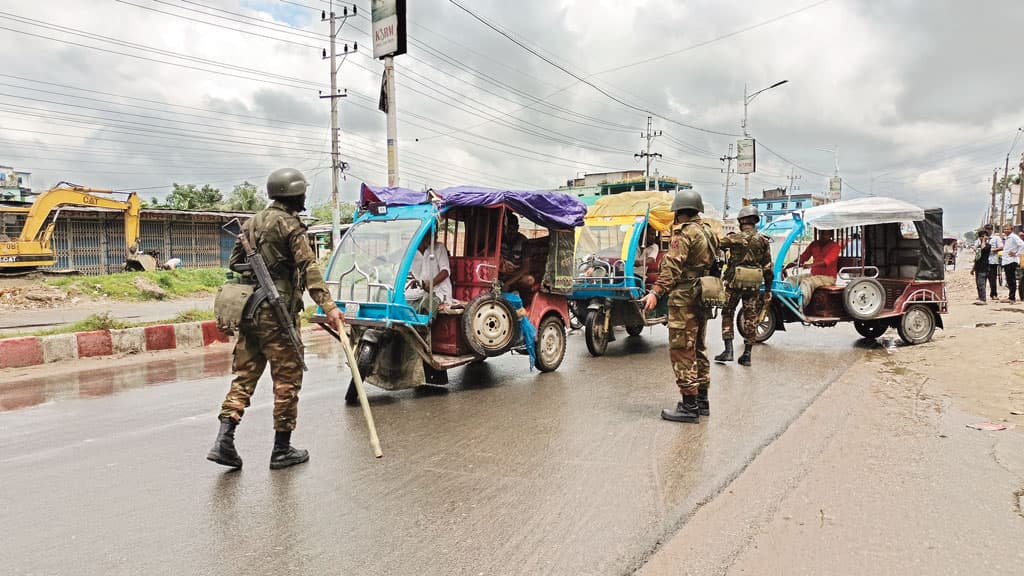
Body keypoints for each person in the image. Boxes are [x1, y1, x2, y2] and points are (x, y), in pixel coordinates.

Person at [207, 168, 344, 470]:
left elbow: (235, 264)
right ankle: (282, 449)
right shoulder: (290, 225)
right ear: (295, 194)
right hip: (277, 313)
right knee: (287, 380)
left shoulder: (251, 223)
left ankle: (223, 441)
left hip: (250, 310)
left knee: (244, 378)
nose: (305, 197)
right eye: (303, 193)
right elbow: (309, 267)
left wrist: (261, 268)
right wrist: (329, 306)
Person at [641, 189, 717, 423]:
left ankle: (689, 406)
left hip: (684, 297)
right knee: (699, 348)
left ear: (679, 212)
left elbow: (672, 266)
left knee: (682, 349)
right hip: (702, 294)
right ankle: (702, 401)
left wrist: (655, 292)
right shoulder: (708, 232)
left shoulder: (683, 234)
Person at [715, 205, 773, 367]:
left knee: (727, 312)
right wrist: (768, 289)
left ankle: (728, 350)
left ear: (741, 221)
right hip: (753, 285)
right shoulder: (763, 241)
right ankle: (747, 355)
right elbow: (768, 268)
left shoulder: (735, 238)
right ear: (755, 221)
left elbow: (717, 244)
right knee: (751, 317)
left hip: (734, 283)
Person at [404, 231, 452, 314]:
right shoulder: (411, 252)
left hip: (440, 292)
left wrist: (430, 284)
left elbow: (445, 271)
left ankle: (424, 326)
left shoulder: (439, 247)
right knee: (403, 304)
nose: (433, 239)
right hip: (421, 292)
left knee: (427, 306)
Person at [500, 212, 534, 291]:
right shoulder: (499, 238)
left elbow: (525, 269)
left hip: (516, 276)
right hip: (499, 274)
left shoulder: (524, 242)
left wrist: (508, 283)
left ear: (517, 227)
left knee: (529, 280)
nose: (510, 231)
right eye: (508, 228)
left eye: (512, 228)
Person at [1002, 224, 1024, 303]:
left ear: (1011, 230)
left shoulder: (1014, 237)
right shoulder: (1007, 238)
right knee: (1009, 280)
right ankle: (1010, 297)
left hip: (1011, 261)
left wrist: (1016, 254)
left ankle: (1012, 298)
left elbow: (1022, 245)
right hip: (1007, 261)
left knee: (1011, 280)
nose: (1006, 230)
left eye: (1008, 229)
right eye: (1005, 229)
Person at [972, 228, 991, 305]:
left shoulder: (988, 246)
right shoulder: (979, 246)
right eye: (981, 236)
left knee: (981, 284)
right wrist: (973, 268)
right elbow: (977, 258)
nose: (982, 237)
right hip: (978, 267)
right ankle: (981, 298)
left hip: (984, 267)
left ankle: (983, 299)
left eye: (984, 236)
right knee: (978, 284)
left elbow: (983, 249)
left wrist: (983, 240)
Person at [986, 224, 1002, 298]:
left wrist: (992, 250)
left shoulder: (996, 238)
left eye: (989, 229)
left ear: (992, 230)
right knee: (982, 278)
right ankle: (982, 295)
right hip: (984, 261)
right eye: (986, 229)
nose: (987, 230)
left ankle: (994, 294)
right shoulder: (983, 238)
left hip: (993, 261)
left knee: (992, 279)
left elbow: (1001, 247)